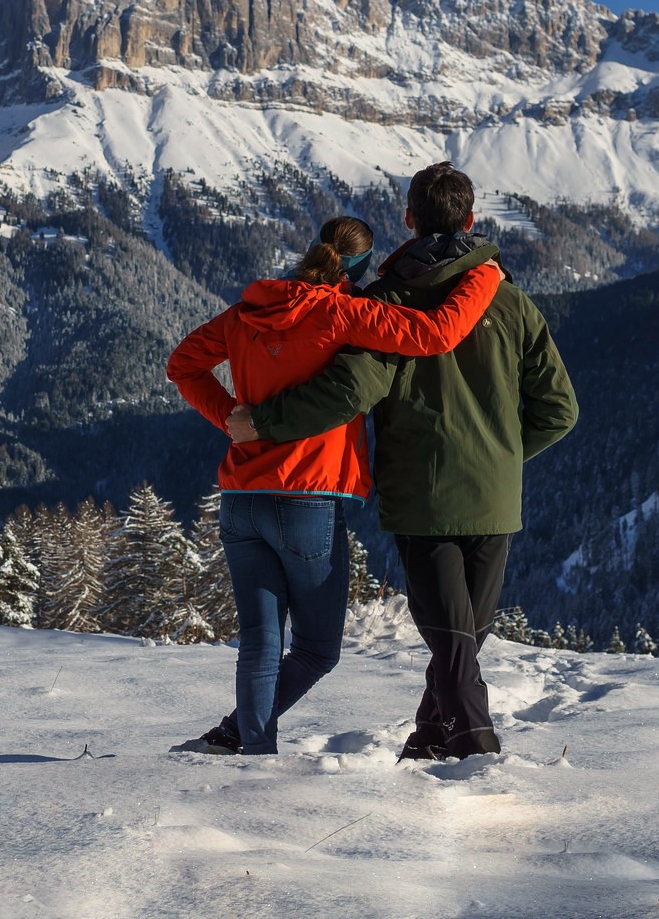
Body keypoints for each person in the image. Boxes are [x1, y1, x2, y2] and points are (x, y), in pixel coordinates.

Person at [227, 163, 577, 761]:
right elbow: (558, 411)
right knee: (462, 640)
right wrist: (500, 456)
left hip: (421, 497)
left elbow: (346, 392)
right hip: (493, 499)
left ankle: (472, 746)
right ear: (471, 220)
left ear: (409, 220)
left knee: (455, 642)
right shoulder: (511, 301)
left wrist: (261, 423)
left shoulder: (386, 304)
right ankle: (436, 738)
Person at [167, 215, 502, 755]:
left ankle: (250, 753)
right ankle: (246, 748)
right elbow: (436, 333)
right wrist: (484, 274)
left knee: (258, 643)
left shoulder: (247, 311)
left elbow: (182, 364)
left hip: (240, 497)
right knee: (318, 649)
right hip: (307, 496)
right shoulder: (344, 312)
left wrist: (229, 416)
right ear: (358, 268)